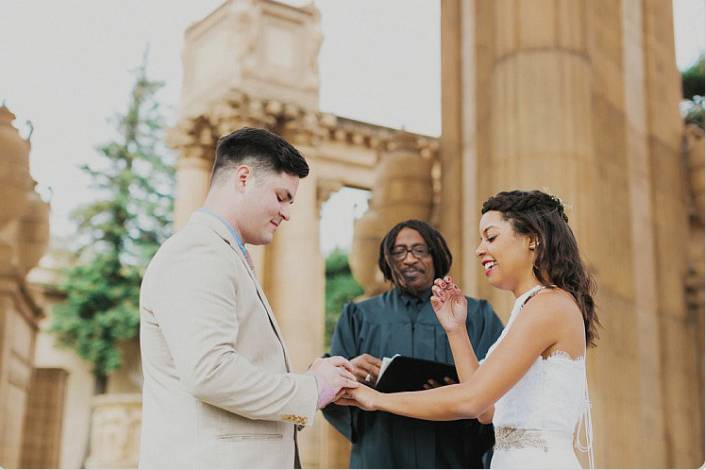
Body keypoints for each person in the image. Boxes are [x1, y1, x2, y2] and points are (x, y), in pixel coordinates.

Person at [139, 127, 358, 469]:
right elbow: (209, 371)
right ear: (243, 178)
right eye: (282, 196)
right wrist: (310, 389)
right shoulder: (199, 253)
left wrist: (313, 376)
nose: (287, 213)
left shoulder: (223, 254)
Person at [339, 190, 599, 469]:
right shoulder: (528, 308)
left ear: (532, 239)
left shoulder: (548, 305)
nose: (479, 249)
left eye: (491, 237)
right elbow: (487, 411)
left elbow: (472, 400)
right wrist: (456, 330)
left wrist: (378, 399)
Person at [323, 220, 504, 468]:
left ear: (435, 256)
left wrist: (464, 388)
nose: (409, 259)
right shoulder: (358, 316)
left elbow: (501, 385)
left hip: (452, 450)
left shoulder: (476, 314)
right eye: (399, 252)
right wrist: (348, 372)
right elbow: (327, 389)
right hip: (382, 451)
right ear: (388, 260)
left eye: (420, 250)